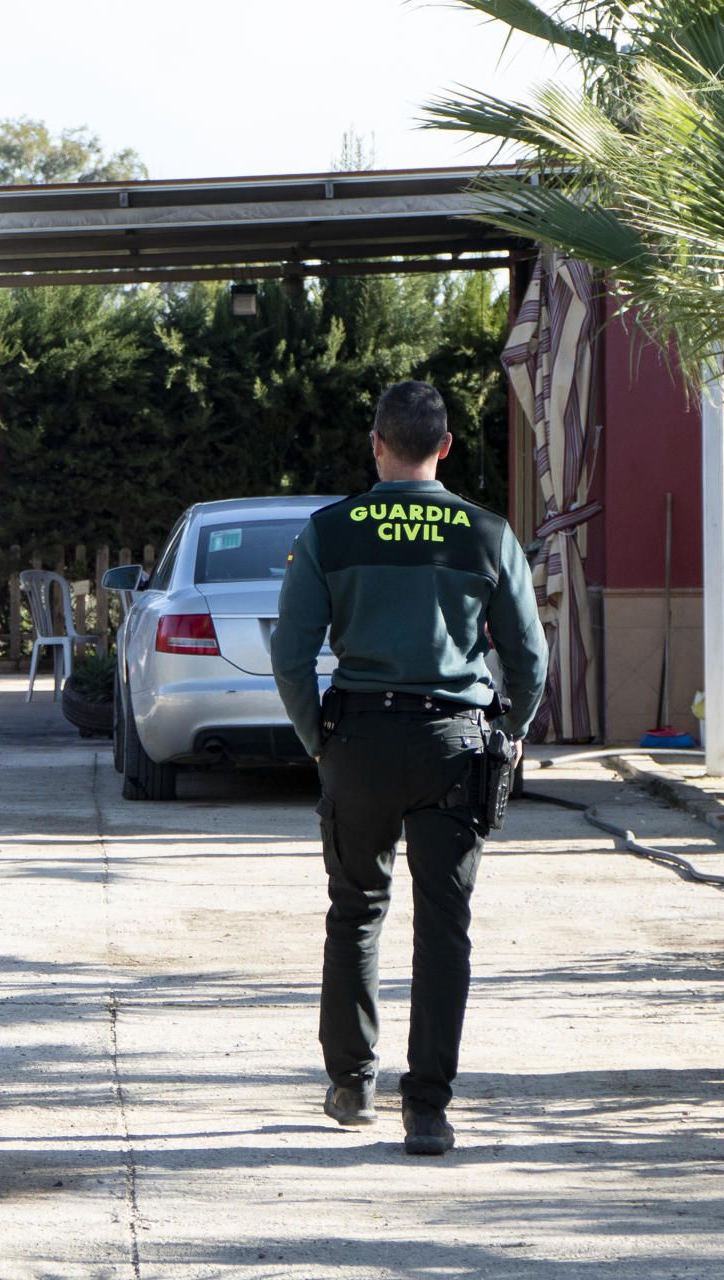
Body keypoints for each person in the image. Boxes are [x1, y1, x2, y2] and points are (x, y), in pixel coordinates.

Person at [270, 380, 547, 1156]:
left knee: (356, 908)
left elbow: (291, 653)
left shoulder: (332, 530)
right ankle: (427, 1107)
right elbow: (528, 656)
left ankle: (352, 1082)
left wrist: (314, 739)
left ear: (376, 442)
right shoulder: (487, 533)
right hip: (453, 744)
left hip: (357, 740)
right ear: (447, 446)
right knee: (444, 927)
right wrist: (513, 731)